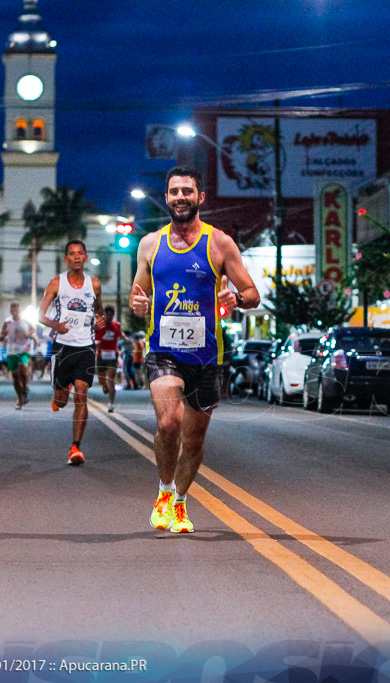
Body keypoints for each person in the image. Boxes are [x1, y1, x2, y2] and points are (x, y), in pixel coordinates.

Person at [130, 166, 259, 533]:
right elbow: (137, 295)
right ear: (166, 198)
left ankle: (182, 502)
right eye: (174, 192)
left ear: (200, 198)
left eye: (188, 191)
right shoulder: (150, 244)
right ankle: (165, 492)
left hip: (207, 355)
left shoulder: (219, 243)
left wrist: (236, 298)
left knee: (195, 437)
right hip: (163, 350)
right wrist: (138, 305)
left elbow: (253, 294)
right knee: (169, 422)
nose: (180, 197)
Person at [39, 239, 105, 466]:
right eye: (72, 254)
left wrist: (99, 320)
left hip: (86, 346)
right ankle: (59, 391)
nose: (76, 257)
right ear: (66, 259)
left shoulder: (94, 284)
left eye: (80, 253)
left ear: (86, 257)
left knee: (81, 393)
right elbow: (40, 315)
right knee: (62, 401)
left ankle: (76, 447)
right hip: (62, 347)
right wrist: (56, 325)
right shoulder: (57, 283)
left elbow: (99, 311)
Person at [0, 301, 38, 409]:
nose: (14, 312)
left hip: (23, 350)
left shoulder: (25, 321)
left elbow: (33, 329)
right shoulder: (7, 322)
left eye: (15, 310)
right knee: (15, 376)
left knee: (23, 369)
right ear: (10, 311)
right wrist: (4, 335)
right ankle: (20, 398)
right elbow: (0, 337)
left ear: (19, 310)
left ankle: (25, 388)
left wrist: (28, 334)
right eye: (12, 310)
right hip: (11, 351)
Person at [95, 305, 124, 412]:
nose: (109, 317)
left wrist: (125, 338)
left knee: (111, 379)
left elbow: (120, 334)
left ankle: (111, 403)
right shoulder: (98, 326)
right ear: (104, 316)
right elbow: (92, 337)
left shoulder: (117, 325)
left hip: (112, 355)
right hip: (101, 355)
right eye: (107, 315)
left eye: (111, 315)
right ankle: (104, 386)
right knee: (102, 381)